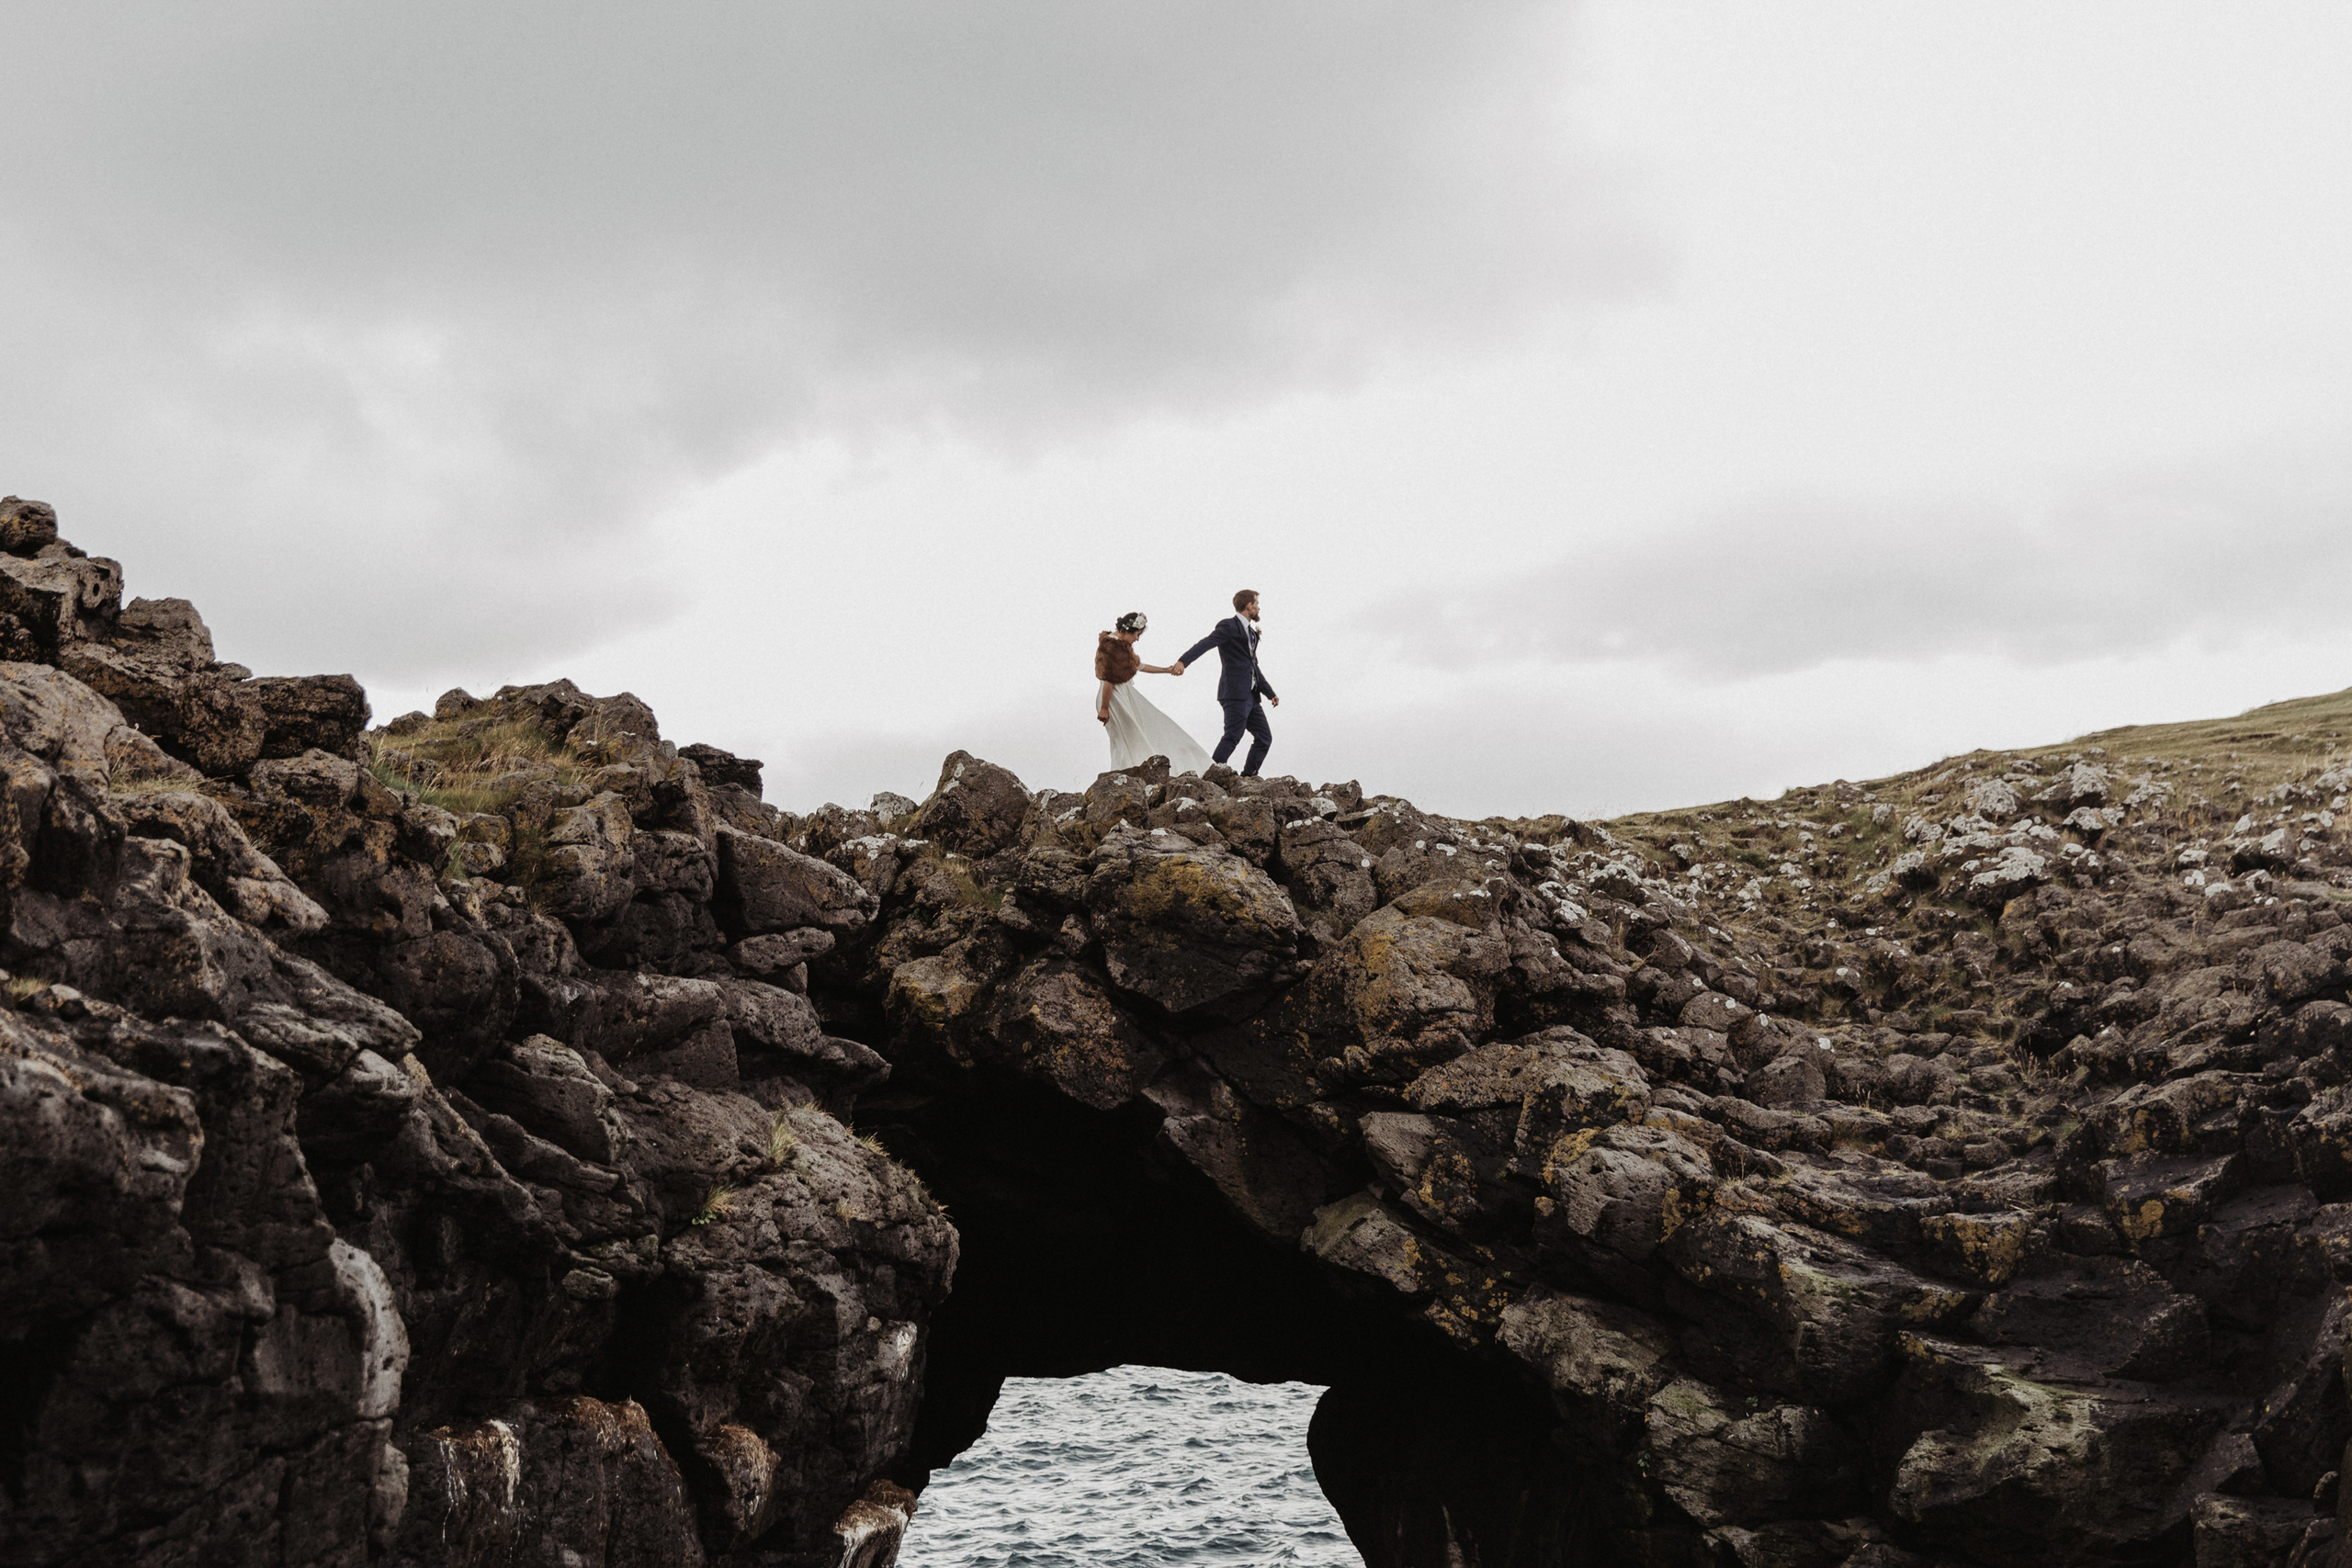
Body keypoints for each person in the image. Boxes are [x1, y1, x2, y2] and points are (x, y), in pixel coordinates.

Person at [1171, 589, 1278, 777]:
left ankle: (1248, 777)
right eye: (1257, 604)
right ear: (1249, 606)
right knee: (1233, 736)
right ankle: (1210, 777)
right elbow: (1207, 643)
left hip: (1252, 697)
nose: (1259, 608)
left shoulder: (1252, 634)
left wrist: (1270, 693)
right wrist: (1183, 661)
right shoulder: (1229, 626)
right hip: (1235, 693)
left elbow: (1254, 666)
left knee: (1264, 737)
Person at [1096, 612, 1213, 773]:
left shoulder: (1122, 646)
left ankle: (1133, 769)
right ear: (1128, 630)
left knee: (1135, 732)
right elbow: (1108, 678)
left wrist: (1166, 670)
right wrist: (1104, 707)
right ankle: (1126, 769)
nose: (1137, 639)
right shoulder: (1111, 646)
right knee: (1127, 735)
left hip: (1122, 693)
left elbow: (1139, 666)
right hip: (1113, 696)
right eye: (1137, 635)